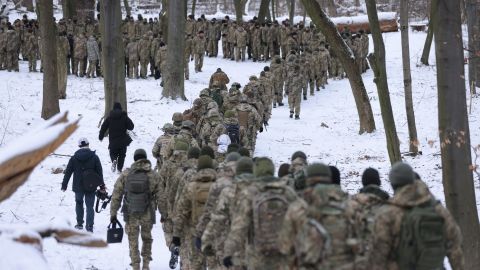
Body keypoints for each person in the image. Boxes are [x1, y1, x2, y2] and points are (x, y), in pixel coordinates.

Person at [368, 162, 464, 270]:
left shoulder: (388, 213)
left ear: (393, 184)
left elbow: (378, 255)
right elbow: (455, 246)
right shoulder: (437, 209)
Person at [110, 149, 164, 270]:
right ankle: (146, 265)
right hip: (148, 212)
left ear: (134, 159)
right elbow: (162, 197)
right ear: (145, 158)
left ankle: (135, 265)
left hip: (130, 213)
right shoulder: (154, 175)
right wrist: (164, 213)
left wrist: (113, 213)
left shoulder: (126, 174)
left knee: (132, 239)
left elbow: (116, 195)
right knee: (147, 238)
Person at [61, 138, 104, 232]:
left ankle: (80, 224)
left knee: (79, 203)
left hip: (78, 186)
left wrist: (64, 185)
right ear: (88, 144)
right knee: (90, 206)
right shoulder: (94, 157)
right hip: (91, 185)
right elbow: (99, 172)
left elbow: (68, 172)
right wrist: (102, 186)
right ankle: (89, 226)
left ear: (79, 146)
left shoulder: (74, 158)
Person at [99, 102, 134, 172]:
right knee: (122, 155)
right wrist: (126, 118)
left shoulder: (110, 117)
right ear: (121, 108)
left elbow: (103, 127)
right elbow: (131, 127)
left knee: (112, 153)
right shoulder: (124, 117)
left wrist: (101, 136)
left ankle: (114, 160)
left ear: (113, 108)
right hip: (123, 141)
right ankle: (119, 169)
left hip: (113, 140)